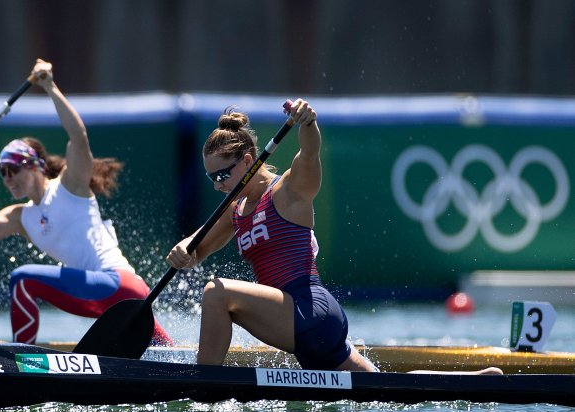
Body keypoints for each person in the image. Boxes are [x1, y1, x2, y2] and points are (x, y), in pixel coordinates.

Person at [166, 99, 501, 375]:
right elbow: (195, 249)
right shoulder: (234, 211)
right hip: (298, 323)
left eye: (223, 175)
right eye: (212, 178)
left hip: (310, 310)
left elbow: (309, 154)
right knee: (384, 388)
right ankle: (472, 379)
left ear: (249, 161)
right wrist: (181, 251)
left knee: (215, 293)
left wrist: (308, 124)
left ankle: (204, 384)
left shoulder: (288, 190)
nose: (219, 185)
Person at [0, 59, 173, 347]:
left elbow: (78, 136)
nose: (7, 179)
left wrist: (50, 86)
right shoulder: (20, 217)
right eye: (2, 173)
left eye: (13, 169)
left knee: (23, 278)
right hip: (109, 302)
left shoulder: (70, 187)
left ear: (35, 166)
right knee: (170, 357)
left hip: (119, 286)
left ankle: (21, 357)